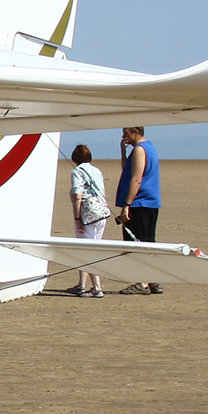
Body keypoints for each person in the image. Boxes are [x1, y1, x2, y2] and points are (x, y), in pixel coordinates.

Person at [115, 126, 162, 294]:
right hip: (149, 203)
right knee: (148, 241)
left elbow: (136, 179)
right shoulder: (145, 149)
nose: (123, 136)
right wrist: (122, 151)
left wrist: (127, 204)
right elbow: (127, 171)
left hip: (140, 203)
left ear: (136, 132)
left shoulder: (140, 150)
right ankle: (153, 279)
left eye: (126, 132)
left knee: (138, 242)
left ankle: (143, 282)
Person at [67, 143, 109, 297]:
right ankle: (82, 284)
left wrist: (78, 218)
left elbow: (78, 196)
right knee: (91, 248)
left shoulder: (77, 172)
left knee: (87, 250)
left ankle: (97, 288)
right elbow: (103, 192)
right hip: (101, 212)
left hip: (88, 214)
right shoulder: (97, 171)